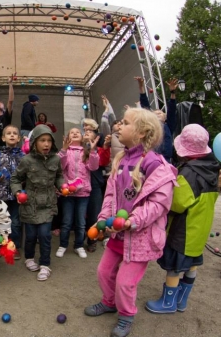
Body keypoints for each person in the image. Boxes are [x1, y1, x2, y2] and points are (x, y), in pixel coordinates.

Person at [84, 108, 177, 337]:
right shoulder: (122, 158)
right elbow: (110, 194)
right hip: (117, 232)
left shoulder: (155, 164)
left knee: (125, 283)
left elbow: (159, 203)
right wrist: (103, 218)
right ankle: (109, 302)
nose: (118, 126)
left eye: (125, 123)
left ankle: (126, 315)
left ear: (142, 132)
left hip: (139, 237)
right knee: (104, 272)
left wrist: (132, 222)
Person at [146, 124, 220, 314]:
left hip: (184, 229)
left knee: (175, 267)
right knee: (192, 263)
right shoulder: (213, 168)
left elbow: (177, 204)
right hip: (200, 228)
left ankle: (168, 303)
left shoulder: (189, 173)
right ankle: (182, 300)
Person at [10, 124, 64, 281]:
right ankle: (29, 258)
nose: (46, 144)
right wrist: (18, 192)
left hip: (47, 204)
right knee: (31, 236)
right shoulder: (26, 161)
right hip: (30, 204)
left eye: (49, 141)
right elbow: (15, 179)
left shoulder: (56, 159)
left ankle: (45, 265)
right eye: (42, 140)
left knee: (45, 235)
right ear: (34, 142)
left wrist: (63, 185)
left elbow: (59, 175)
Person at [56, 128, 99, 259]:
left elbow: (93, 167)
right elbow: (60, 167)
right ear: (67, 136)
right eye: (71, 132)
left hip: (83, 193)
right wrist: (63, 150)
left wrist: (92, 150)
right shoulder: (65, 152)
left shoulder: (86, 151)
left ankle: (78, 245)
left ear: (82, 137)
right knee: (66, 221)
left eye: (77, 132)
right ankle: (63, 245)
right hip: (67, 192)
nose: (74, 133)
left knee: (81, 222)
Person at [0, 125, 25, 259]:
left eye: (15, 133)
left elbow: (27, 174)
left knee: (15, 222)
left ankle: (14, 247)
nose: (12, 135)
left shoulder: (23, 156)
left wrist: (23, 188)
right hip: (1, 195)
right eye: (8, 133)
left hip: (17, 195)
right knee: (0, 221)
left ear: (19, 138)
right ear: (3, 138)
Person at [135, 76, 177, 163]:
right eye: (155, 113)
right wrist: (141, 87)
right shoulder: (151, 125)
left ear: (165, 118)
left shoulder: (168, 126)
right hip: (152, 159)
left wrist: (172, 92)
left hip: (166, 160)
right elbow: (145, 107)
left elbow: (172, 110)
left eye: (160, 113)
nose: (157, 114)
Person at [84, 130, 111, 252]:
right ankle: (79, 240)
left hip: (94, 185)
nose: (86, 132)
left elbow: (104, 161)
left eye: (90, 131)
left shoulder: (100, 149)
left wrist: (105, 147)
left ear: (96, 137)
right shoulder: (77, 150)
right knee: (80, 215)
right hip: (80, 187)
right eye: (84, 131)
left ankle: (92, 240)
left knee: (94, 213)